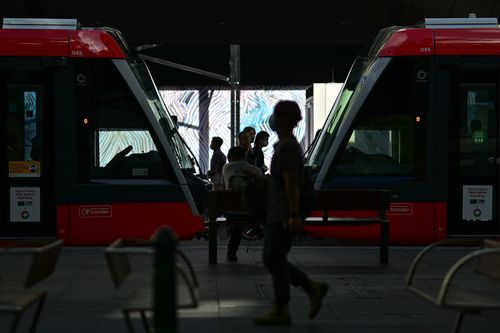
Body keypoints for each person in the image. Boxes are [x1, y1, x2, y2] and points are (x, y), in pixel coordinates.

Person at [254, 100, 328, 326]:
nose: (272, 120)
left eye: (276, 115)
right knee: (273, 257)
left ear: (283, 120)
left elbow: (291, 184)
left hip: (284, 214)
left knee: (273, 258)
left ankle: (283, 308)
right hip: (280, 211)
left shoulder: (287, 148)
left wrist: (294, 215)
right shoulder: (286, 145)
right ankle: (309, 289)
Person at [221, 146, 263, 262]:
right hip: (252, 213)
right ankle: (255, 226)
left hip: (231, 212)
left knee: (237, 224)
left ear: (230, 157)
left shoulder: (226, 168)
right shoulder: (257, 170)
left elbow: (223, 189)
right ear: (244, 156)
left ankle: (231, 251)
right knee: (250, 210)